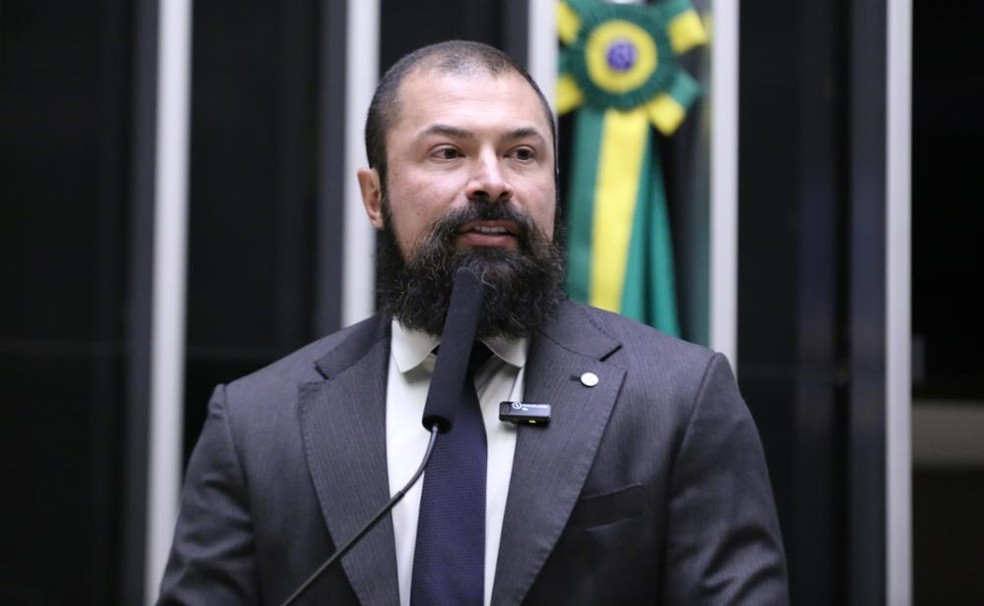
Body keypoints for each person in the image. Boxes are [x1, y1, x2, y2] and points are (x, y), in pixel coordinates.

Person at [158, 40, 788, 605]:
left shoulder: (677, 398)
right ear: (375, 196)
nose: (492, 182)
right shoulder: (255, 424)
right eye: (448, 152)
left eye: (521, 154)